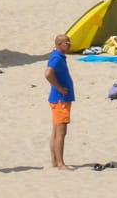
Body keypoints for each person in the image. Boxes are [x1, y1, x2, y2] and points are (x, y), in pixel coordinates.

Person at [45, 34, 75, 170]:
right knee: (61, 133)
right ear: (59, 44)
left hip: (58, 99)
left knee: (56, 132)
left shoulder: (58, 56)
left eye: (69, 43)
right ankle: (60, 163)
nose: (69, 45)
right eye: (66, 43)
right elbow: (48, 73)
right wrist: (59, 88)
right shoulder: (56, 58)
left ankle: (54, 161)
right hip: (60, 100)